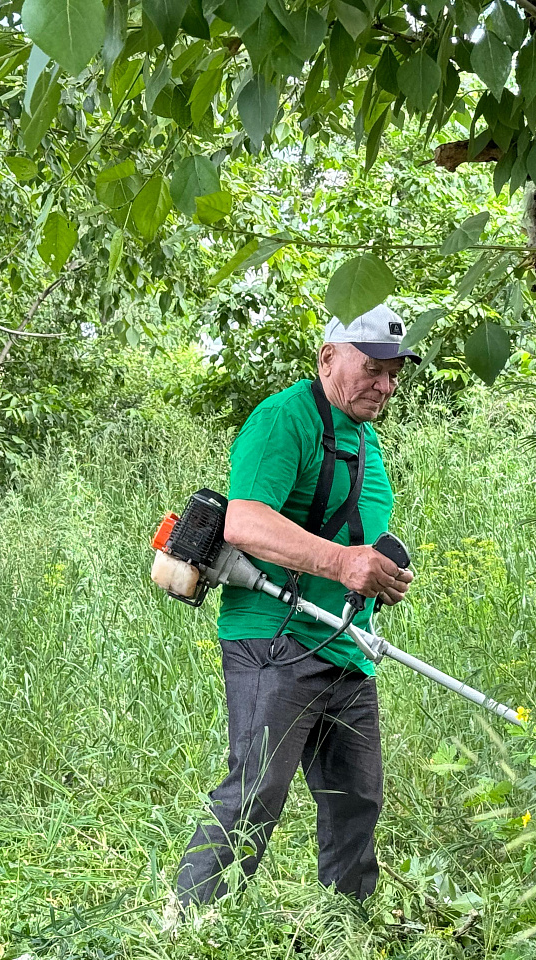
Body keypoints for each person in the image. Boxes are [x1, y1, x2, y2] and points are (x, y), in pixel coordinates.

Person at [173, 302, 420, 912]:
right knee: (256, 794)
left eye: (394, 372)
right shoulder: (285, 419)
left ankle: (348, 922)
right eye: (372, 368)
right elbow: (246, 519)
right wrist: (342, 564)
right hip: (274, 641)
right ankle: (186, 925)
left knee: (358, 797)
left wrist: (379, 575)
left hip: (346, 646)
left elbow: (355, 536)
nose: (385, 385)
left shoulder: (365, 437)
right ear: (328, 357)